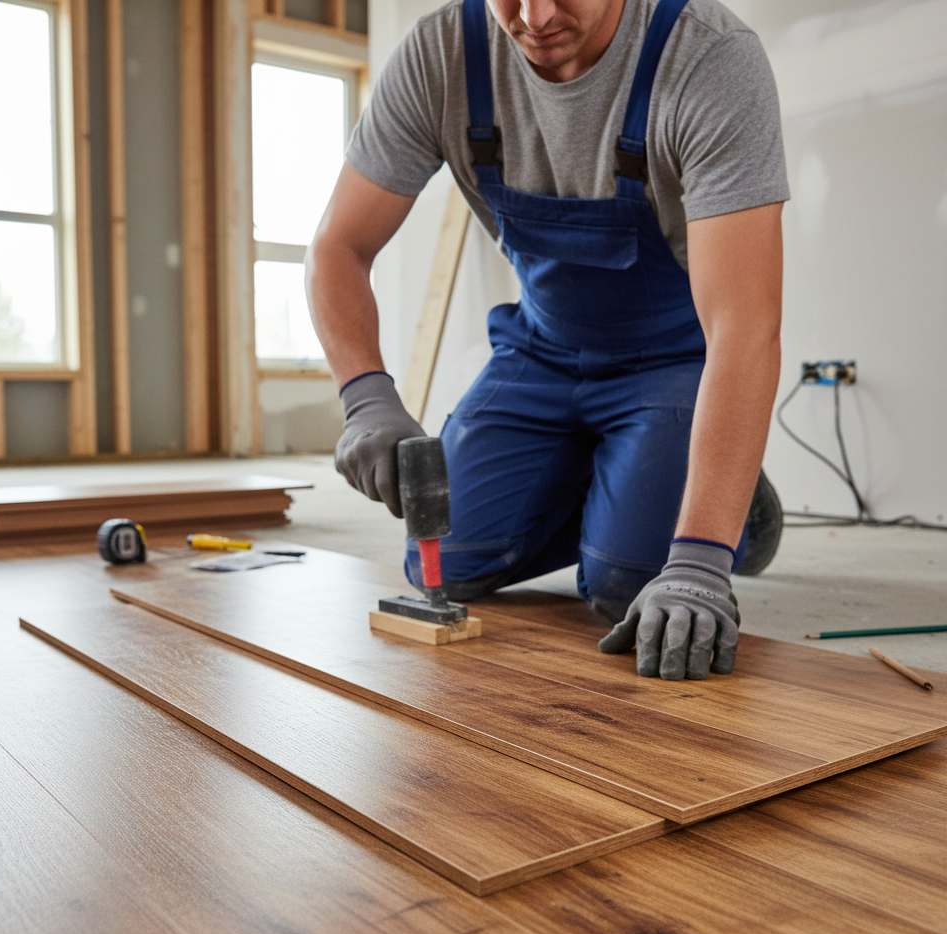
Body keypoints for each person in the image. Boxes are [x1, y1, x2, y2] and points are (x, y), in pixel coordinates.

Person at [305, 0, 788, 681]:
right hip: (542, 352)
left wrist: (702, 557)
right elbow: (338, 246)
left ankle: (743, 510)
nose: (533, 16)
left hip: (673, 359)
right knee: (441, 558)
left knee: (631, 583)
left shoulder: (706, 58)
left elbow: (745, 327)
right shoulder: (444, 55)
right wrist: (366, 398)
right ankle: (632, 464)